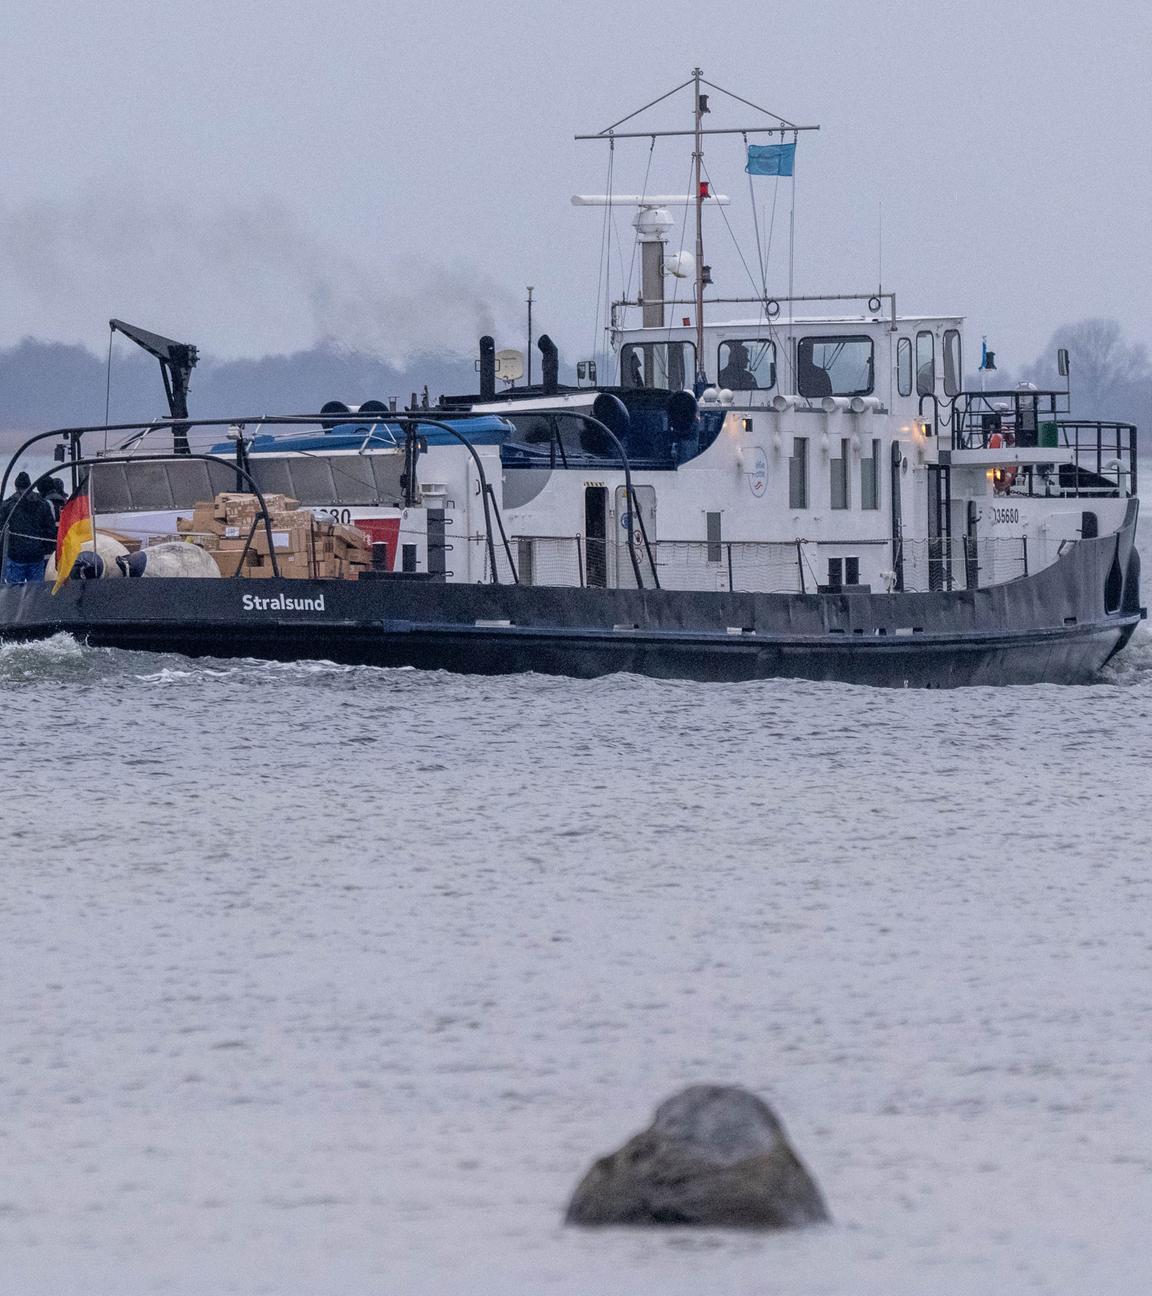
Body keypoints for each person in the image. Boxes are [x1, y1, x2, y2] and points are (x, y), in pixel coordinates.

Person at [0, 472, 58, 585]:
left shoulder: (8, 505)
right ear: (30, 486)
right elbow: (50, 529)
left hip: (16, 556)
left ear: (16, 487)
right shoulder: (43, 504)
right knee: (36, 592)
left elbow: (2, 529)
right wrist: (45, 549)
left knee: (13, 592)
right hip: (37, 556)